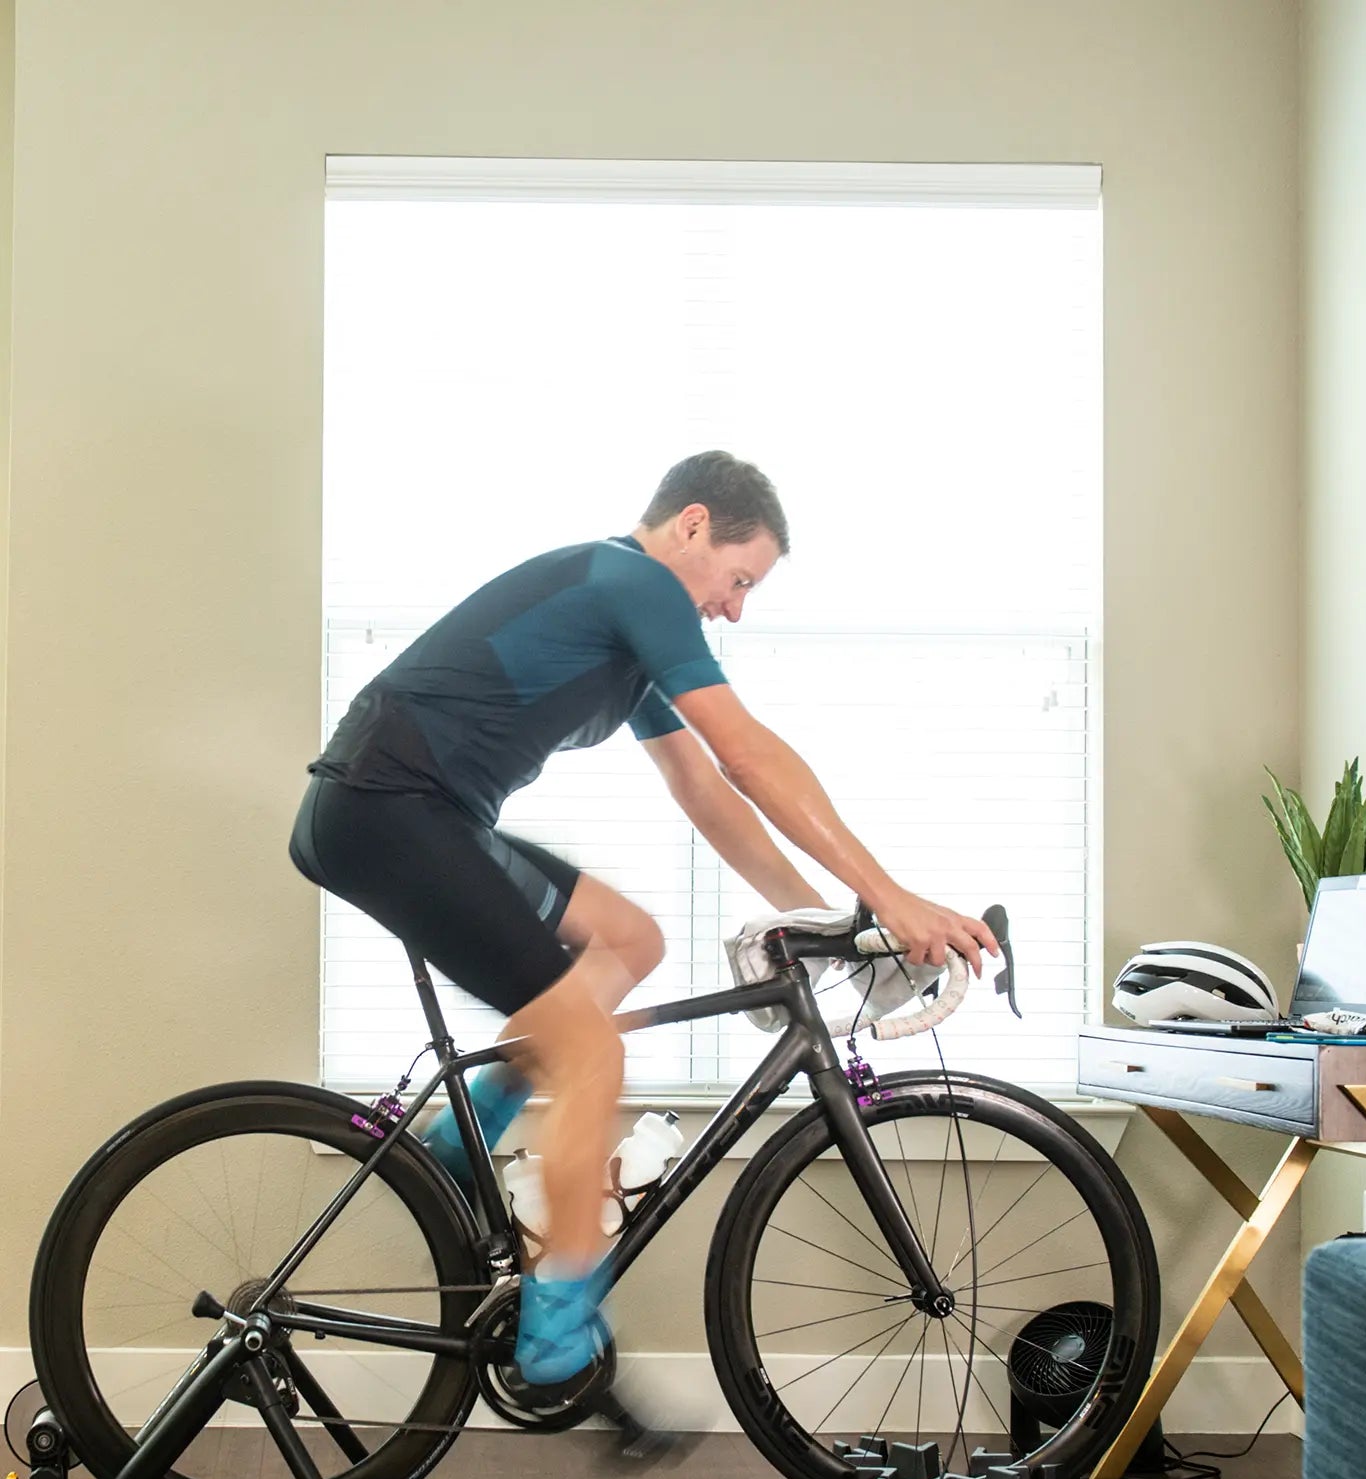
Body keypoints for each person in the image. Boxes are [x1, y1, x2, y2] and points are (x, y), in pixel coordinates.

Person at [289, 450, 998, 1389]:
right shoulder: (632, 580)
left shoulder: (626, 637)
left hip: (417, 811)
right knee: (590, 1052)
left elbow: (707, 791)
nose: (736, 608)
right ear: (693, 525)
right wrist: (896, 898)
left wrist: (824, 914)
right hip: (387, 808)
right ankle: (555, 1321)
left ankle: (463, 1140)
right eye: (740, 579)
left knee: (632, 940)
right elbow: (745, 754)